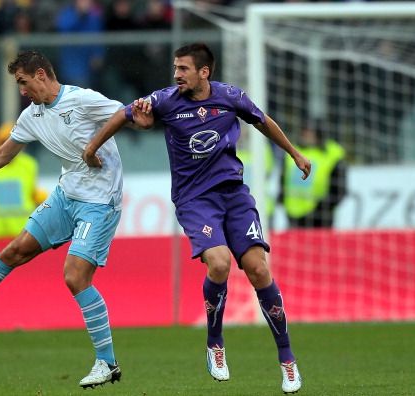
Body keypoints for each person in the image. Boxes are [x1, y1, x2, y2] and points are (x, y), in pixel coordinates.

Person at [82, 43, 311, 394]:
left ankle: (287, 359)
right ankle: (215, 343)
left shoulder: (230, 97)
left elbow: (263, 121)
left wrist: (294, 153)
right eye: (175, 67)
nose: (176, 74)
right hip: (195, 200)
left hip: (234, 194)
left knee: (259, 269)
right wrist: (92, 148)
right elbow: (123, 116)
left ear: (204, 72)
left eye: (184, 68)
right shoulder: (165, 101)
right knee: (218, 264)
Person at [0, 50, 127, 389]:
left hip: (99, 202)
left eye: (23, 82)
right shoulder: (32, 115)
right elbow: (2, 155)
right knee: (14, 251)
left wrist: (93, 147)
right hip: (67, 196)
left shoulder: (82, 100)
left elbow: (125, 113)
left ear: (41, 76)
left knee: (75, 275)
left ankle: (107, 363)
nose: (21, 90)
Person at [0, 121, 47, 240]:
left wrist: (43, 199)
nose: (7, 147)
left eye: (12, 142)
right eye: (3, 142)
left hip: (22, 229)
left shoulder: (29, 164)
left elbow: (32, 193)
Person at [281, 119, 347, 228]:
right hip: (293, 214)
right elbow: (283, 178)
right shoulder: (293, 151)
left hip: (320, 217)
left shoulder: (333, 154)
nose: (306, 135)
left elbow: (339, 189)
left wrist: (323, 207)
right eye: (304, 131)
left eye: (310, 132)